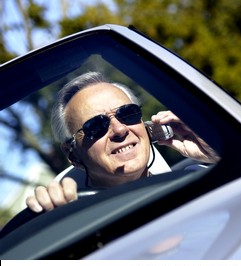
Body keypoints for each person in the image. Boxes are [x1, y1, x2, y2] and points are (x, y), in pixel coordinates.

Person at [26, 72, 219, 213]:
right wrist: (54, 219)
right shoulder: (77, 221)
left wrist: (218, 154)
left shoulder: (199, 178)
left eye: (128, 114)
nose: (120, 130)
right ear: (72, 154)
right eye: (96, 126)